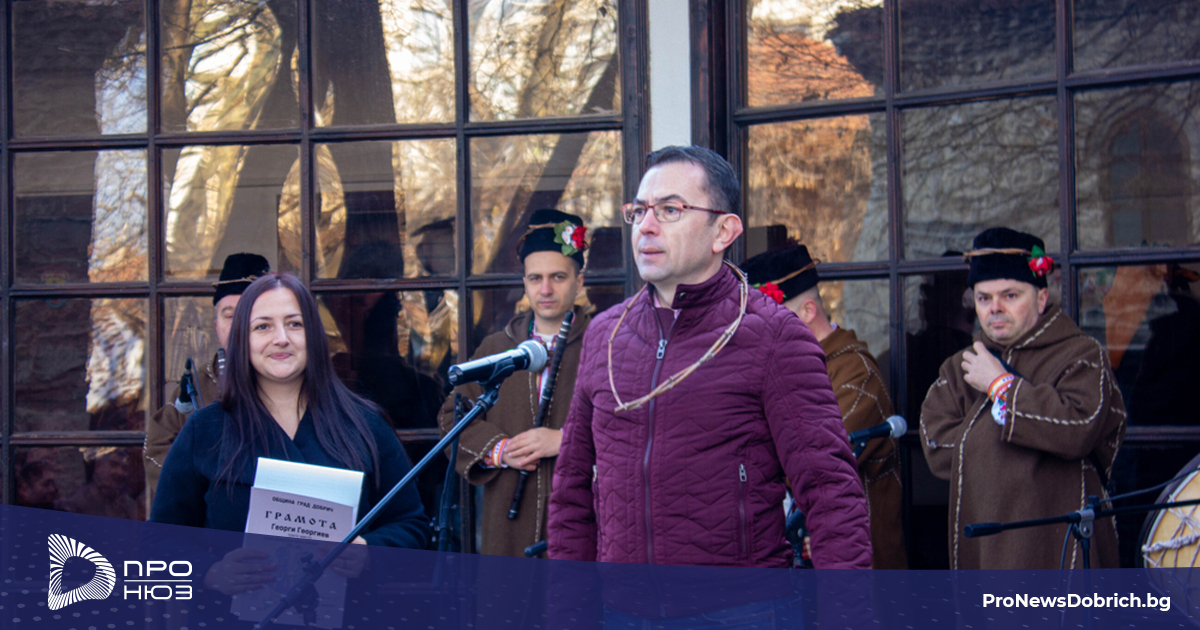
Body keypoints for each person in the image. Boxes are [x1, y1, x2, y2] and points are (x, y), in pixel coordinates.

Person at [547, 146, 871, 569]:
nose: (646, 226)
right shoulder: (605, 336)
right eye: (639, 210)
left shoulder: (774, 336)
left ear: (724, 232)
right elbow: (570, 493)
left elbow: (832, 495)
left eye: (670, 210)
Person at [151, 273, 429, 591]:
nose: (281, 338)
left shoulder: (365, 425)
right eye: (263, 327)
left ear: (314, 334)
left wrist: (369, 552)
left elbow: (411, 524)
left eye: (295, 324)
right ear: (242, 339)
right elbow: (159, 539)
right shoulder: (205, 430)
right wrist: (210, 573)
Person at [920, 227, 1125, 569]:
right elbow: (936, 446)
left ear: (1041, 298)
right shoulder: (960, 367)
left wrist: (1000, 386)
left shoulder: (1083, 355)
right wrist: (1033, 438)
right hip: (986, 550)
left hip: (1061, 548)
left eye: (1010, 295)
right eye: (984, 298)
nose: (995, 308)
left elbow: (1079, 429)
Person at [437, 209, 592, 558]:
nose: (546, 289)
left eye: (558, 277)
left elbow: (636, 428)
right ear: (524, 283)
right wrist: (500, 449)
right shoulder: (497, 347)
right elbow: (452, 418)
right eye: (535, 278)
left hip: (583, 520)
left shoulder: (606, 344)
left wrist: (564, 440)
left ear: (579, 281)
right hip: (507, 526)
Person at [743, 244, 907, 570]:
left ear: (807, 311)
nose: (756, 330)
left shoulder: (857, 375)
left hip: (860, 569)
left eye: (767, 318)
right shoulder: (775, 370)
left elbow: (813, 464)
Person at [144, 253, 270, 508]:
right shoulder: (198, 383)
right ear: (216, 325)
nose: (238, 325)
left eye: (249, 314)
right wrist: (204, 489)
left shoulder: (289, 382)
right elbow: (157, 446)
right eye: (229, 315)